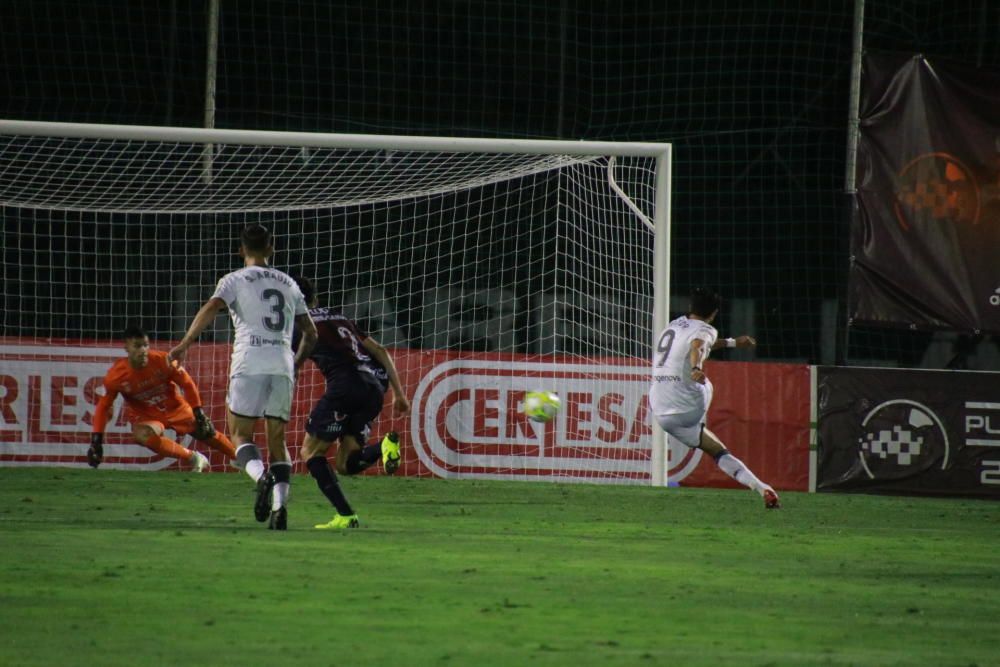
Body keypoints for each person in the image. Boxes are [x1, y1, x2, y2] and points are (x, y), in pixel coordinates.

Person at [169, 224, 318, 530]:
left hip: (249, 362)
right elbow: (311, 333)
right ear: (271, 248)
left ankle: (260, 476)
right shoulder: (289, 283)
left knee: (240, 435)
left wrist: (185, 343)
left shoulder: (233, 280)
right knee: (278, 444)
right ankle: (279, 509)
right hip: (281, 365)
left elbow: (212, 307)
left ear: (241, 251)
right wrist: (297, 362)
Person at [290, 275, 410, 530]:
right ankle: (384, 447)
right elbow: (381, 351)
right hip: (373, 389)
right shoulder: (339, 317)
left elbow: (288, 359)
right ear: (315, 298)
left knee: (310, 452)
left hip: (345, 387)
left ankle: (346, 515)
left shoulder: (298, 325)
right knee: (346, 463)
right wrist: (399, 394)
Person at [648, 287, 780, 509]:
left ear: (690, 308)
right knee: (706, 384)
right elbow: (698, 346)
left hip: (660, 409)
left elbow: (701, 342)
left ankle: (761, 487)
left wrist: (733, 343)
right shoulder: (706, 329)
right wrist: (696, 368)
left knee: (718, 451)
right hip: (686, 408)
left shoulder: (675, 324)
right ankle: (698, 421)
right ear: (714, 313)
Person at [87, 324, 237, 472]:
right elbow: (104, 406)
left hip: (176, 408)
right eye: (137, 346)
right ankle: (193, 458)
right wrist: (96, 440)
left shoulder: (162, 360)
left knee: (207, 433)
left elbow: (187, 384)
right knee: (142, 435)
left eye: (145, 345)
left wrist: (199, 413)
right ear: (126, 347)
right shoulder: (116, 376)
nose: (143, 351)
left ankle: (240, 460)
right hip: (148, 416)